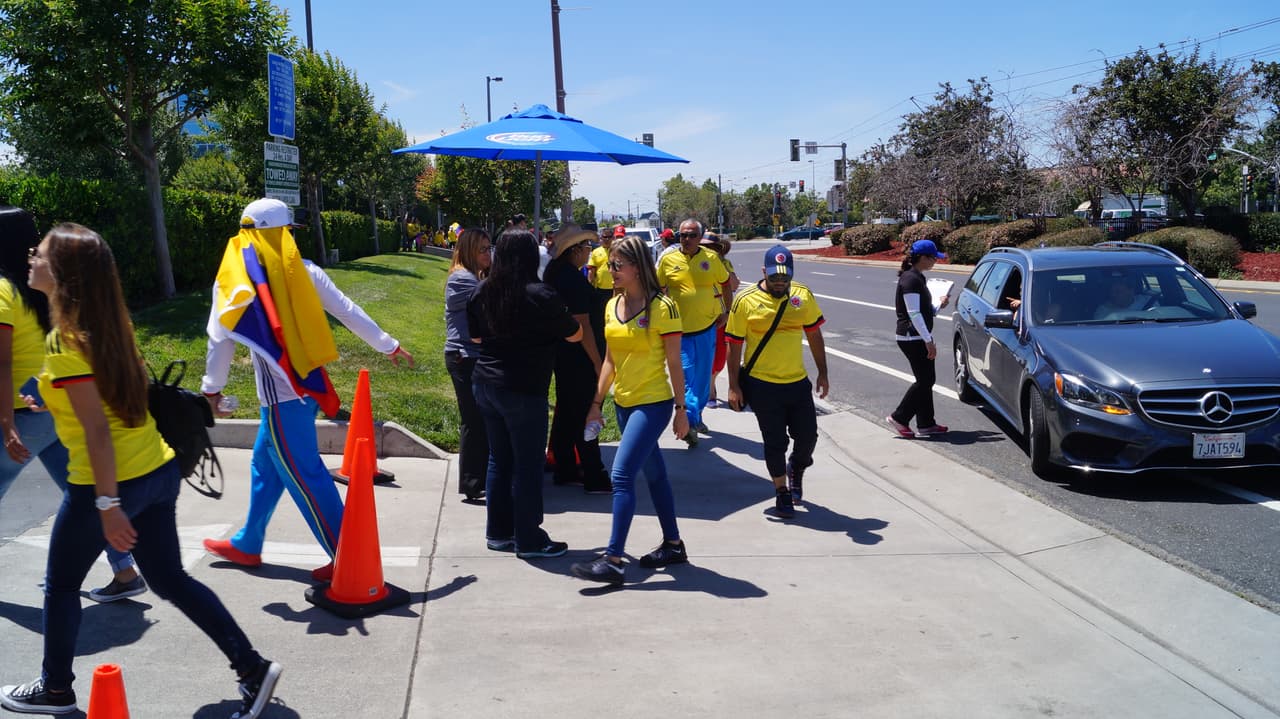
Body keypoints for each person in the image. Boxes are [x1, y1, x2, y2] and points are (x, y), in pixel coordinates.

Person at [0, 223, 280, 718]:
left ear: (63, 273)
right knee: (170, 580)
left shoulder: (66, 343)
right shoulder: (107, 328)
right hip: (156, 471)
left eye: (38, 253)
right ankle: (252, 668)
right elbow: (101, 403)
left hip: (106, 485)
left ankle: (55, 690)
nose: (30, 258)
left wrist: (107, 506)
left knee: (62, 586)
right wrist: (47, 401)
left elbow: (98, 432)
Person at [201, 198, 413, 582]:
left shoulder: (235, 279)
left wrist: (211, 390)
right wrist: (388, 344)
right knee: (265, 466)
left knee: (304, 473)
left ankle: (347, 555)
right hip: (304, 390)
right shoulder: (306, 272)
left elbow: (219, 337)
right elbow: (345, 309)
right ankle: (249, 542)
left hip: (282, 399)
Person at [0, 207, 144, 604]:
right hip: (53, 406)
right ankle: (126, 570)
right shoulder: (42, 283)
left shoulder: (4, 287)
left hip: (28, 412)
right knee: (81, 491)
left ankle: (119, 572)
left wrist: (7, 421)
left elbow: (3, 360)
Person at [571, 236, 688, 585]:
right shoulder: (612, 305)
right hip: (623, 403)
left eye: (618, 265)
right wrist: (596, 403)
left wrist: (681, 410)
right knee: (655, 475)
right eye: (610, 264)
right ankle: (674, 544)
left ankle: (614, 559)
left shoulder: (663, 308)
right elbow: (610, 359)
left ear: (638, 267)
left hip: (652, 404)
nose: (611, 270)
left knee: (621, 475)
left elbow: (675, 364)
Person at [468, 228, 582, 559]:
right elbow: (574, 335)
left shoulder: (482, 291)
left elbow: (475, 339)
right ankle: (529, 539)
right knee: (528, 466)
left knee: (499, 460)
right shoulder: (541, 295)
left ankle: (499, 532)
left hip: (485, 384)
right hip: (523, 389)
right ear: (532, 256)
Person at [726, 245, 829, 519]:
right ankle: (782, 492)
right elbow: (734, 346)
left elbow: (815, 336)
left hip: (796, 382)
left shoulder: (802, 295)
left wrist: (823, 372)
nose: (780, 282)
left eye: (785, 277)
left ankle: (797, 466)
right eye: (774, 278)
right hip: (762, 385)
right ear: (764, 272)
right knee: (774, 442)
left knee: (808, 437)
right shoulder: (745, 300)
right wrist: (734, 385)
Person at [542, 224, 610, 494]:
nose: (589, 252)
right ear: (575, 251)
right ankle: (594, 474)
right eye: (586, 248)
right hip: (579, 357)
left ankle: (566, 467)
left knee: (568, 413)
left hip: (565, 355)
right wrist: (597, 361)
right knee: (585, 413)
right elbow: (582, 326)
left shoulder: (558, 273)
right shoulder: (570, 278)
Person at [655, 219, 729, 446]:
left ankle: (693, 418)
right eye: (682, 235)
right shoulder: (668, 260)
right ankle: (688, 420)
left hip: (707, 328)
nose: (686, 240)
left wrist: (726, 312)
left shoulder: (712, 259)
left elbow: (726, 283)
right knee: (687, 378)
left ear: (700, 236)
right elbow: (657, 289)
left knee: (703, 380)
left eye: (691, 235)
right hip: (679, 331)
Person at [445, 228, 493, 501]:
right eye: (483, 249)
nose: (488, 254)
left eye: (490, 248)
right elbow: (492, 297)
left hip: (471, 355)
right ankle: (472, 483)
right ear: (468, 251)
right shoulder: (463, 279)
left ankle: (479, 478)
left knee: (481, 418)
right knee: (474, 420)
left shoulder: (472, 277)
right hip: (463, 356)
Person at [886, 239, 949, 439]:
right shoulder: (911, 280)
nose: (935, 262)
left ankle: (926, 423)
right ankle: (899, 417)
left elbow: (924, 311)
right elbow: (914, 314)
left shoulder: (917, 277)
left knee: (926, 380)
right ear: (923, 258)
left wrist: (938, 306)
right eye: (933, 258)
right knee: (925, 380)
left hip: (915, 336)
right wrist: (928, 340)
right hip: (911, 337)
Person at [703, 235, 739, 408]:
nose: (709, 250)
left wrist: (724, 268)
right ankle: (709, 390)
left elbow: (733, 286)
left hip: (722, 315)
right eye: (706, 246)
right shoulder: (695, 263)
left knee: (720, 357)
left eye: (713, 247)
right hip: (700, 315)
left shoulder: (725, 264)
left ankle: (712, 382)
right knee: (705, 354)